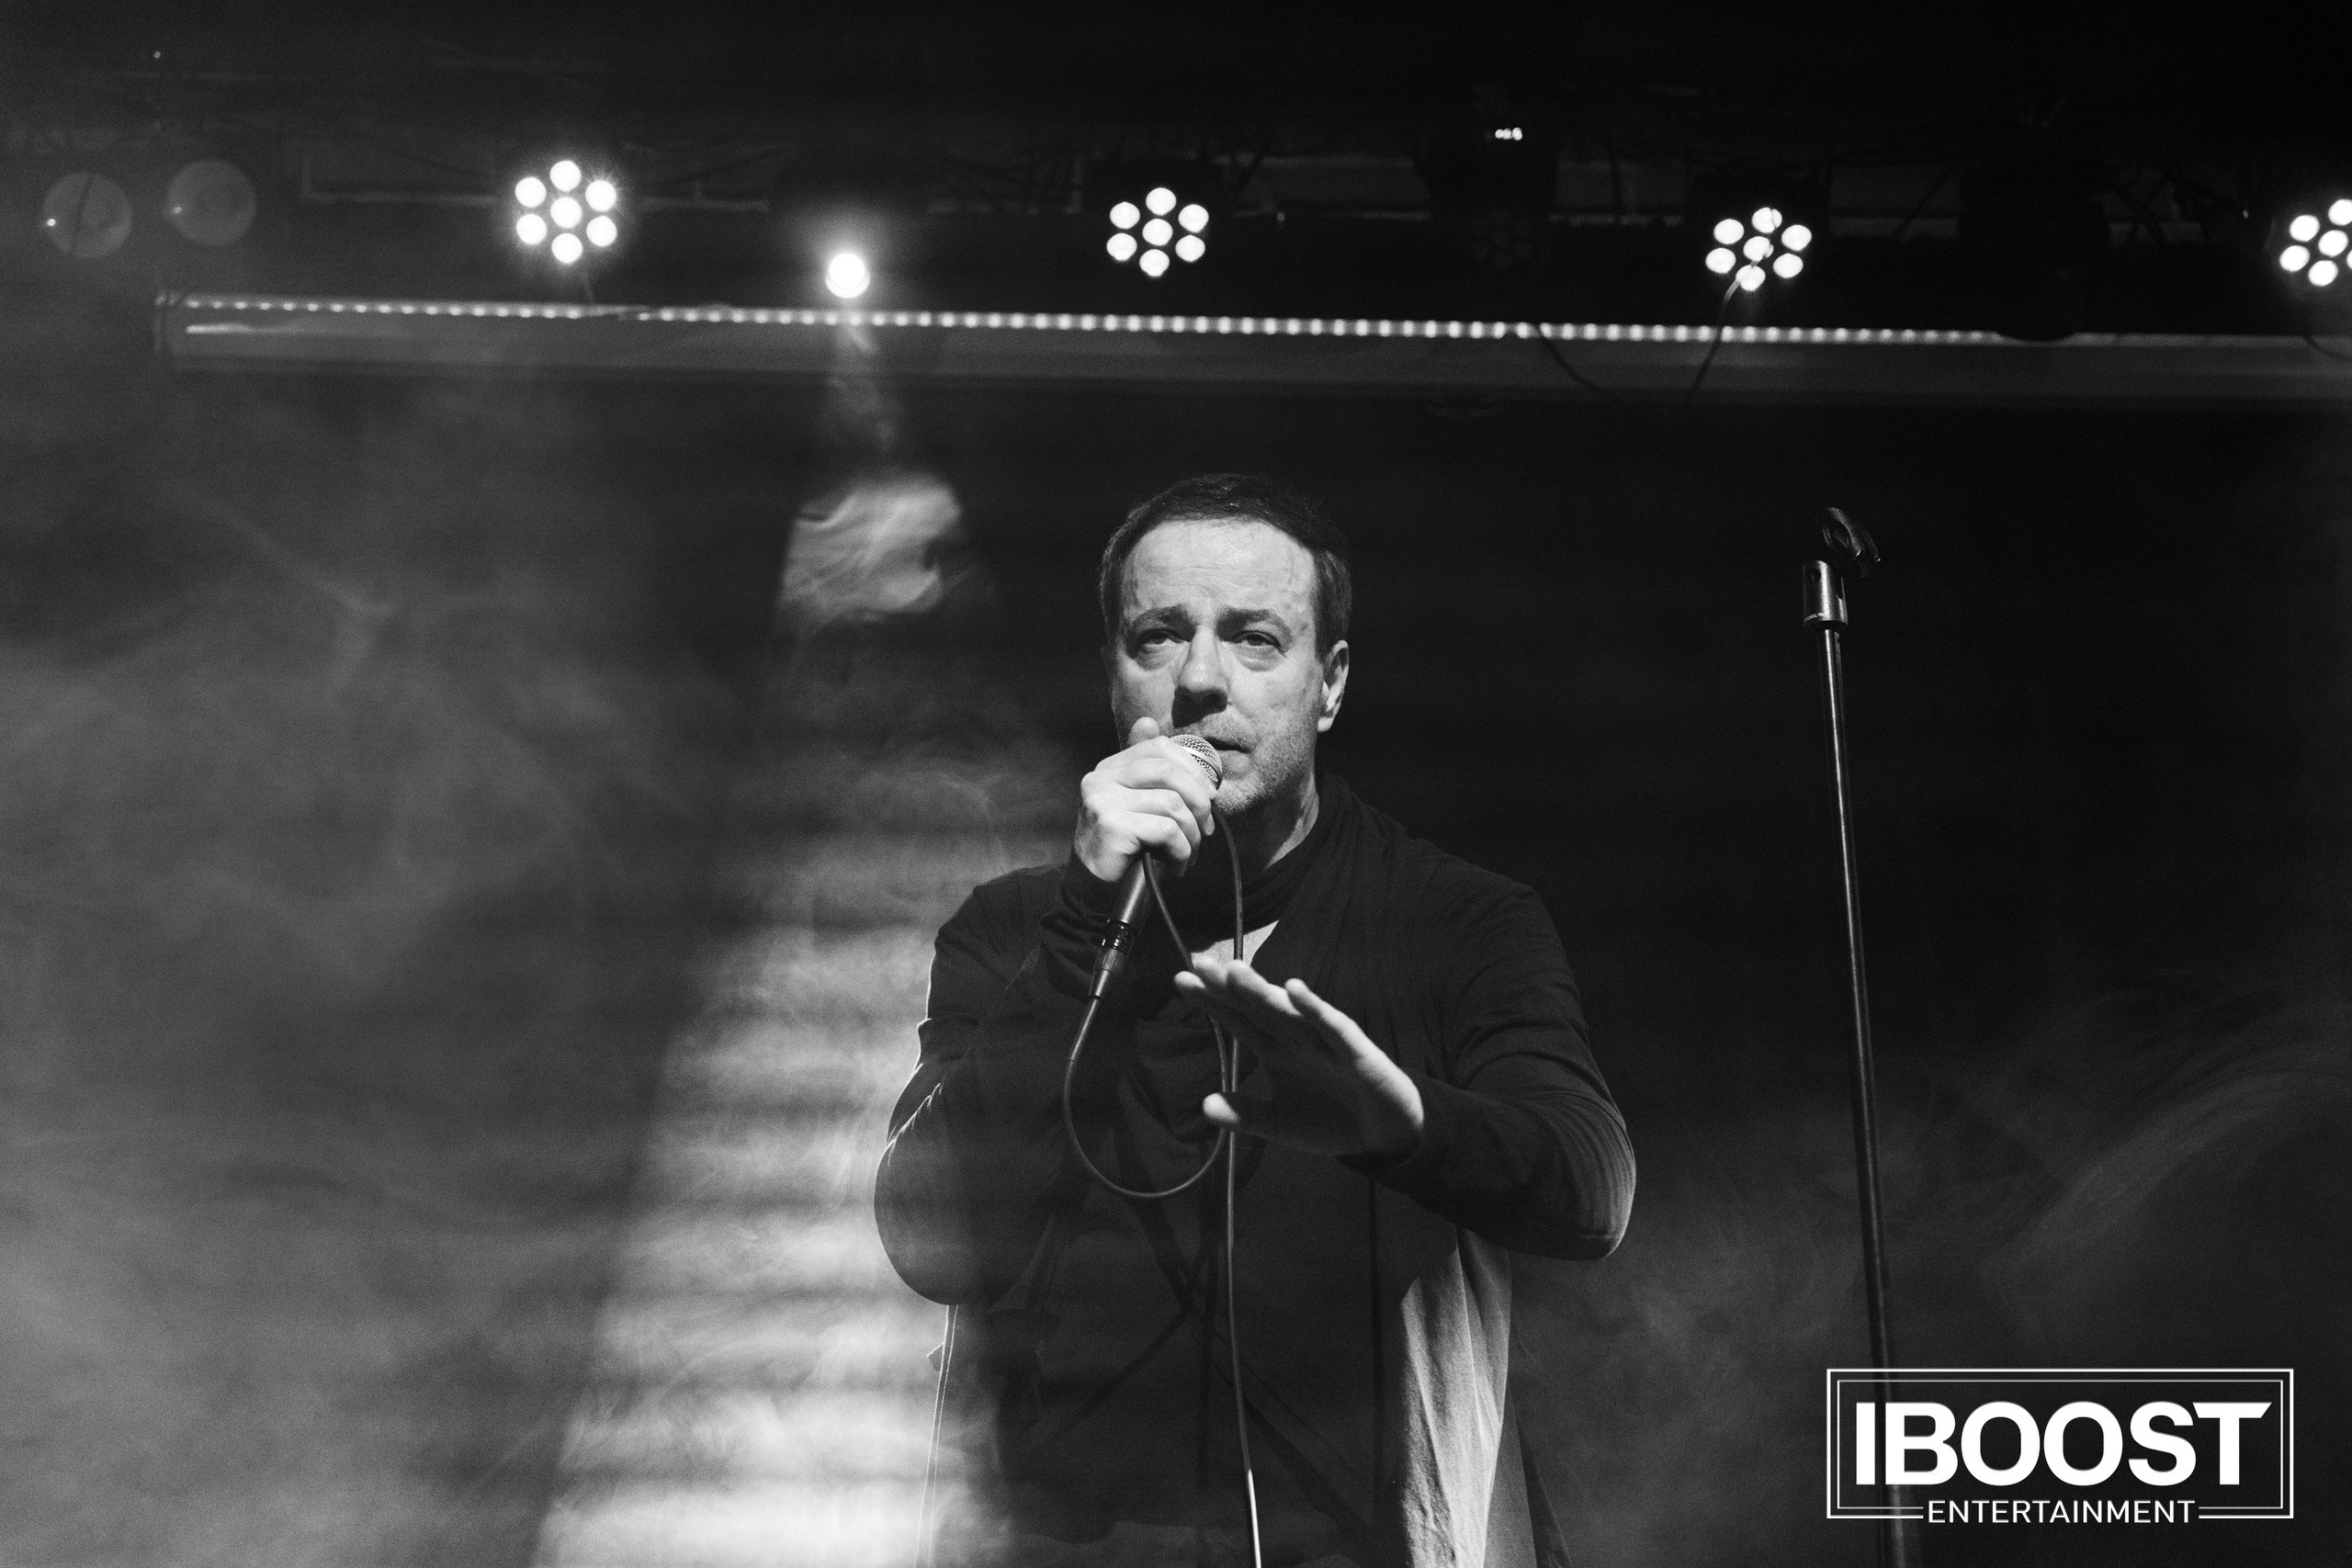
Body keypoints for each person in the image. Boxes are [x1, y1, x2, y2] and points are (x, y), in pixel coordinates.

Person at [875, 474, 1635, 1568]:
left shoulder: (1455, 920)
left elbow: (1591, 1191)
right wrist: (1089, 920)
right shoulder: (1014, 929)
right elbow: (921, 1233)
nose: (1197, 681)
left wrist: (1402, 1124)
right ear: (1111, 673)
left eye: (1253, 640)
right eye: (1157, 637)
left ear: (1327, 685)